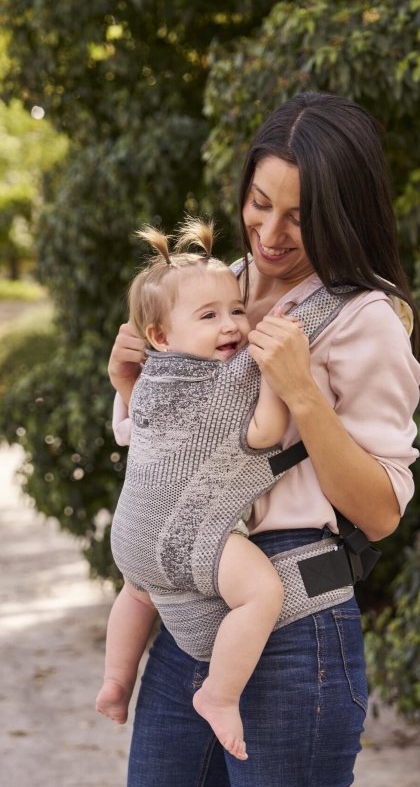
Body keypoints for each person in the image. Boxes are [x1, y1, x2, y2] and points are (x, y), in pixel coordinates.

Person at [105, 91, 420, 787]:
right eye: (259, 202)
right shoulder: (210, 290)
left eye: (300, 216)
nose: (270, 232)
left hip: (292, 628)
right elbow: (171, 457)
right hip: (188, 621)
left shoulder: (365, 319)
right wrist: (129, 384)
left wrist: (303, 393)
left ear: (343, 213)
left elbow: (380, 512)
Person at [95, 219, 299, 760]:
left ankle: (117, 680)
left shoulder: (151, 380)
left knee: (137, 594)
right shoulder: (230, 378)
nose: (232, 325)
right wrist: (276, 381)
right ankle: (220, 694)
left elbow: (136, 423)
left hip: (132, 537)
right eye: (208, 317)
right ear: (160, 337)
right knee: (262, 594)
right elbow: (266, 434)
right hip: (184, 539)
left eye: (236, 309)